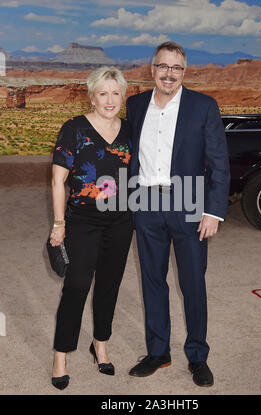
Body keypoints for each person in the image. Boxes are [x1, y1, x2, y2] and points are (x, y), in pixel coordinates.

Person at [126, 42, 230, 387]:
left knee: (192, 283)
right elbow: (130, 158)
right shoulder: (136, 104)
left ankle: (198, 355)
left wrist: (213, 211)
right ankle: (158, 351)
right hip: (146, 205)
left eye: (176, 68)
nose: (169, 73)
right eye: (163, 66)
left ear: (184, 72)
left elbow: (218, 163)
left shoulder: (203, 106)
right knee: (152, 281)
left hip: (188, 206)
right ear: (151, 68)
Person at [50, 66, 133, 390]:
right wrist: (58, 224)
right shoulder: (74, 129)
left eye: (115, 93)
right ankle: (61, 353)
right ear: (92, 96)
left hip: (121, 221)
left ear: (123, 96)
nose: (110, 100)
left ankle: (100, 344)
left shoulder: (129, 130)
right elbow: (58, 181)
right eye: (103, 93)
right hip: (82, 221)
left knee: (109, 286)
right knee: (77, 286)